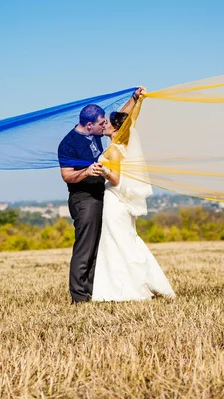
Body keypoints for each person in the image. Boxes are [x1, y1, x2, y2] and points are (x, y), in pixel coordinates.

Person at [58, 88, 143, 304]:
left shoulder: (95, 132)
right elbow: (66, 175)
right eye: (100, 123)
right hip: (83, 199)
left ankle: (93, 290)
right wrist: (85, 172)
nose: (104, 125)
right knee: (85, 247)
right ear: (89, 125)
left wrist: (133, 100)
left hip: (101, 196)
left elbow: (118, 122)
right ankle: (79, 296)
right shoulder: (68, 144)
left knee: (98, 246)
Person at [91, 105, 176, 302]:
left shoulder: (114, 151)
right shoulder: (122, 146)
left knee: (118, 243)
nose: (104, 125)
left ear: (115, 128)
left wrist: (102, 171)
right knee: (126, 240)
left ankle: (125, 289)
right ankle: (129, 285)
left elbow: (117, 180)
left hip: (114, 199)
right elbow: (130, 119)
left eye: (107, 123)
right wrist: (138, 101)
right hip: (119, 201)